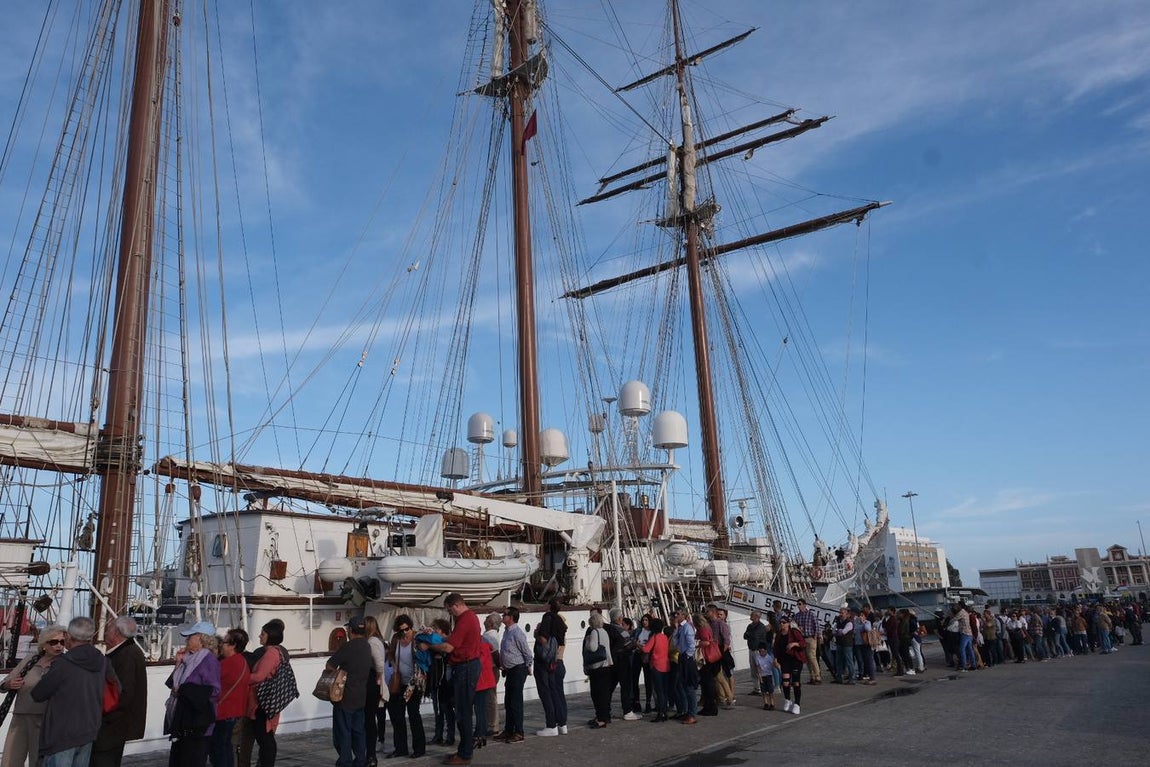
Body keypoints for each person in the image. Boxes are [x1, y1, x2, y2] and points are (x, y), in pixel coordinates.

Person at [32, 616, 110, 767]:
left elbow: (38, 694)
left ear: (69, 636)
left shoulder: (63, 664)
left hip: (62, 734)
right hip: (88, 730)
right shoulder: (102, 660)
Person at [424, 593, 483, 766]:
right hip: (467, 666)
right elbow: (454, 640)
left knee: (463, 713)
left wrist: (429, 645)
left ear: (455, 605)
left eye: (450, 610)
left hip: (465, 667)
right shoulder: (470, 617)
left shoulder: (464, 620)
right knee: (462, 711)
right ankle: (463, 750)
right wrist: (439, 636)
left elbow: (449, 647)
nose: (450, 614)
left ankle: (465, 754)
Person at [0, 624, 67, 767]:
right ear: (44, 645)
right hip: (20, 716)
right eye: (54, 642)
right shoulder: (31, 660)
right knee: (10, 760)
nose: (59, 646)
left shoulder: (64, 664)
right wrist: (10, 684)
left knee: (38, 761)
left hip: (45, 719)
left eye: (62, 642)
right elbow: (4, 683)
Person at [91, 616, 148, 767]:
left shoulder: (127, 655)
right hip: (116, 726)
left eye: (109, 628)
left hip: (111, 727)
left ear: (116, 632)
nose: (106, 632)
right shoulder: (128, 651)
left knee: (103, 761)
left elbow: (124, 693)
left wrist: (103, 716)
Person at [165, 621, 222, 767]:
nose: (187, 640)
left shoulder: (208, 661)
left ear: (201, 639)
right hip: (182, 721)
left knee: (192, 761)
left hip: (197, 723)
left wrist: (184, 690)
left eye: (190, 636)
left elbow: (214, 691)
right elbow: (172, 684)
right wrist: (178, 664)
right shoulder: (188, 659)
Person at [327, 617, 373, 767]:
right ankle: (360, 760)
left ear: (351, 630)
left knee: (343, 732)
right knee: (359, 731)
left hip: (345, 696)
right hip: (361, 696)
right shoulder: (367, 646)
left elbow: (330, 665)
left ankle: (345, 762)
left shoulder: (348, 646)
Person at [246, 620, 288, 767]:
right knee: (267, 739)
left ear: (270, 636)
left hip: (262, 702)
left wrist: (241, 677)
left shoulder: (270, 653)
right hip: (268, 700)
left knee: (265, 739)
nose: (259, 636)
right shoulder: (278, 652)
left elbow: (259, 676)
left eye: (263, 634)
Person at [385, 614, 425, 759]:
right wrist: (395, 667)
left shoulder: (417, 638)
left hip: (414, 683)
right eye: (401, 630)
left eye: (406, 629)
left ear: (410, 627)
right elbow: (390, 654)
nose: (404, 633)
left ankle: (419, 748)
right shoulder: (396, 639)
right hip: (399, 682)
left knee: (414, 714)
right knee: (397, 716)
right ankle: (400, 748)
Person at [210, 628, 251, 767]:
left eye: (224, 642)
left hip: (224, 712)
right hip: (235, 711)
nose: (221, 644)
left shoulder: (228, 663)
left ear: (233, 645)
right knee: (226, 747)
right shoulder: (242, 661)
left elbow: (209, 681)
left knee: (218, 749)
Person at [493, 607, 530, 744]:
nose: (503, 616)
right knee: (509, 701)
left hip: (518, 669)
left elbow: (526, 651)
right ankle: (509, 730)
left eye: (505, 615)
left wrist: (528, 666)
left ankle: (519, 731)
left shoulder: (517, 633)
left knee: (515, 702)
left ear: (512, 618)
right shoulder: (507, 632)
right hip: (509, 670)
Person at [362, 617, 387, 767]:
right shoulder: (376, 641)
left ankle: (370, 754)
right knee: (370, 719)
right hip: (372, 683)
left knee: (369, 719)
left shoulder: (372, 642)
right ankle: (369, 753)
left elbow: (379, 664)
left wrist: (378, 679)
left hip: (372, 683)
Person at [582, 613, 614, 728]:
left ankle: (601, 718)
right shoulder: (604, 632)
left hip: (597, 666)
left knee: (597, 693)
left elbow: (593, 647)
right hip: (606, 665)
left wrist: (588, 640)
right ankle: (604, 716)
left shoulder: (594, 632)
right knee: (604, 693)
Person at [773, 614, 805, 716]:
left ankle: (797, 704)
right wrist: (775, 659)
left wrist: (794, 644)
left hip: (795, 659)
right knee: (786, 682)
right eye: (781, 623)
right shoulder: (779, 634)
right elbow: (776, 648)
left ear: (788, 623)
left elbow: (803, 643)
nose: (782, 624)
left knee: (796, 682)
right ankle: (787, 700)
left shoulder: (794, 632)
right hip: (785, 660)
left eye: (784, 622)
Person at [670, 609, 698, 725]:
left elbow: (691, 644)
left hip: (686, 658)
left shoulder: (687, 627)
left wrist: (687, 655)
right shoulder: (680, 628)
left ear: (684, 615)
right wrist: (676, 628)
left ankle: (692, 714)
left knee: (689, 687)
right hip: (681, 656)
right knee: (684, 686)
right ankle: (688, 712)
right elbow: (676, 643)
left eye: (678, 614)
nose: (676, 616)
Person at [640, 618, 670, 722]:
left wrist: (638, 644)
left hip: (656, 665)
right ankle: (664, 712)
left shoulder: (655, 637)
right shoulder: (664, 637)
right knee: (664, 690)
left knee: (659, 690)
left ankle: (660, 712)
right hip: (665, 665)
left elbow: (645, 649)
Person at [693, 613, 721, 717]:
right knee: (707, 683)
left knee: (707, 683)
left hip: (707, 658)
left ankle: (710, 706)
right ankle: (708, 706)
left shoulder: (702, 630)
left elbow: (707, 642)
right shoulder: (707, 628)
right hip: (709, 658)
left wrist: (696, 643)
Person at [480, 613, 501, 738]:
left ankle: (492, 725)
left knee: (490, 698)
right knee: (490, 697)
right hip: (492, 668)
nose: (485, 619)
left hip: (490, 668)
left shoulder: (489, 636)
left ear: (491, 623)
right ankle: (492, 723)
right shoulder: (493, 635)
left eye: (487, 618)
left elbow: (494, 653)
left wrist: (499, 666)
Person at [793, 599, 822, 684]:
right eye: (798, 604)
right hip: (802, 638)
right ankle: (812, 676)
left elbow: (816, 626)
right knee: (807, 658)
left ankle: (818, 676)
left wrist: (815, 637)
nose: (798, 606)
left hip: (810, 637)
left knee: (812, 657)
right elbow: (794, 626)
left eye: (800, 604)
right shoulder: (797, 616)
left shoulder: (811, 614)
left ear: (805, 605)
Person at [743, 611, 769, 695]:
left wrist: (749, 634)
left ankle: (763, 688)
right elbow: (745, 636)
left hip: (758, 650)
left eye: (752, 615)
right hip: (751, 649)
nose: (750, 616)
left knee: (760, 669)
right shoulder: (750, 626)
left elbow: (755, 636)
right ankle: (756, 688)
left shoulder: (760, 626)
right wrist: (749, 634)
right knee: (753, 670)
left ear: (757, 617)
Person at [750, 643, 777, 710]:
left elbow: (773, 665)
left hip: (769, 675)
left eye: (762, 651)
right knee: (764, 691)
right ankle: (766, 703)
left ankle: (772, 704)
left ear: (766, 651)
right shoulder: (757, 657)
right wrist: (760, 677)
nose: (761, 653)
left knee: (770, 691)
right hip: (762, 676)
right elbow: (758, 667)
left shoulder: (769, 657)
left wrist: (776, 664)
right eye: (760, 651)